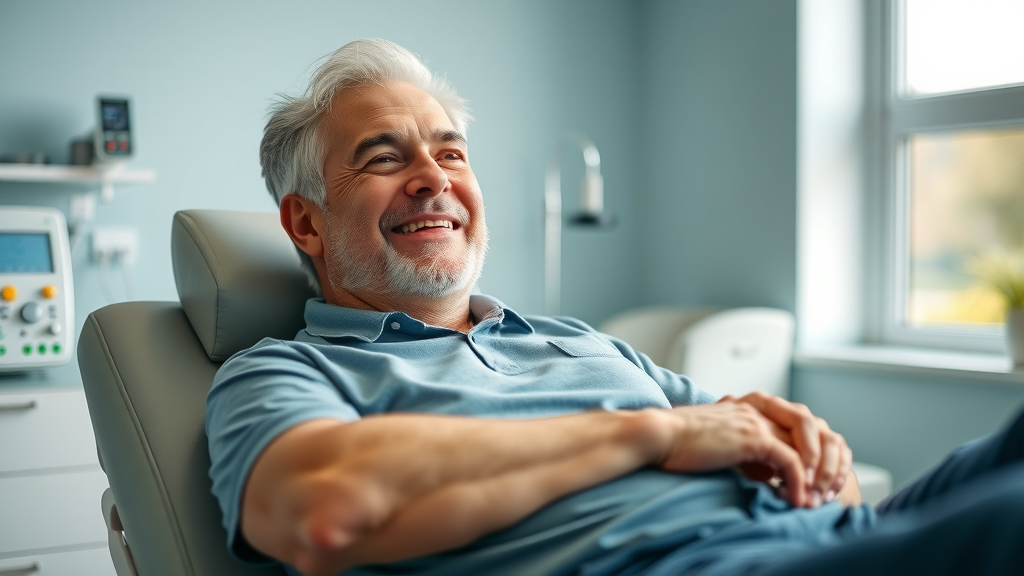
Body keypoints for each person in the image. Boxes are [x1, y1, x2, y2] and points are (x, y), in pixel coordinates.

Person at [206, 38, 1024, 576]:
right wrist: (652, 432)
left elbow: (810, 482)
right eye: (384, 159)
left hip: (839, 539)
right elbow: (317, 509)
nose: (435, 177)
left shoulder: (579, 343)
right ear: (304, 222)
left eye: (451, 152)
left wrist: (811, 455)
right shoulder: (280, 372)